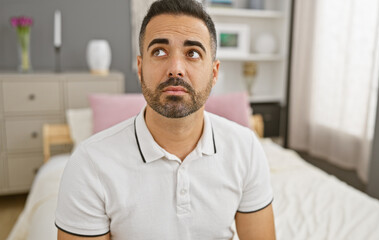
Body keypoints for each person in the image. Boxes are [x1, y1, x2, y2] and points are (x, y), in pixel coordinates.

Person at [55, 0, 275, 239]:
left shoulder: (247, 148)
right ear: (140, 68)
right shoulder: (90, 164)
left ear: (214, 73)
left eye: (192, 53)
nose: (176, 69)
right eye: (159, 51)